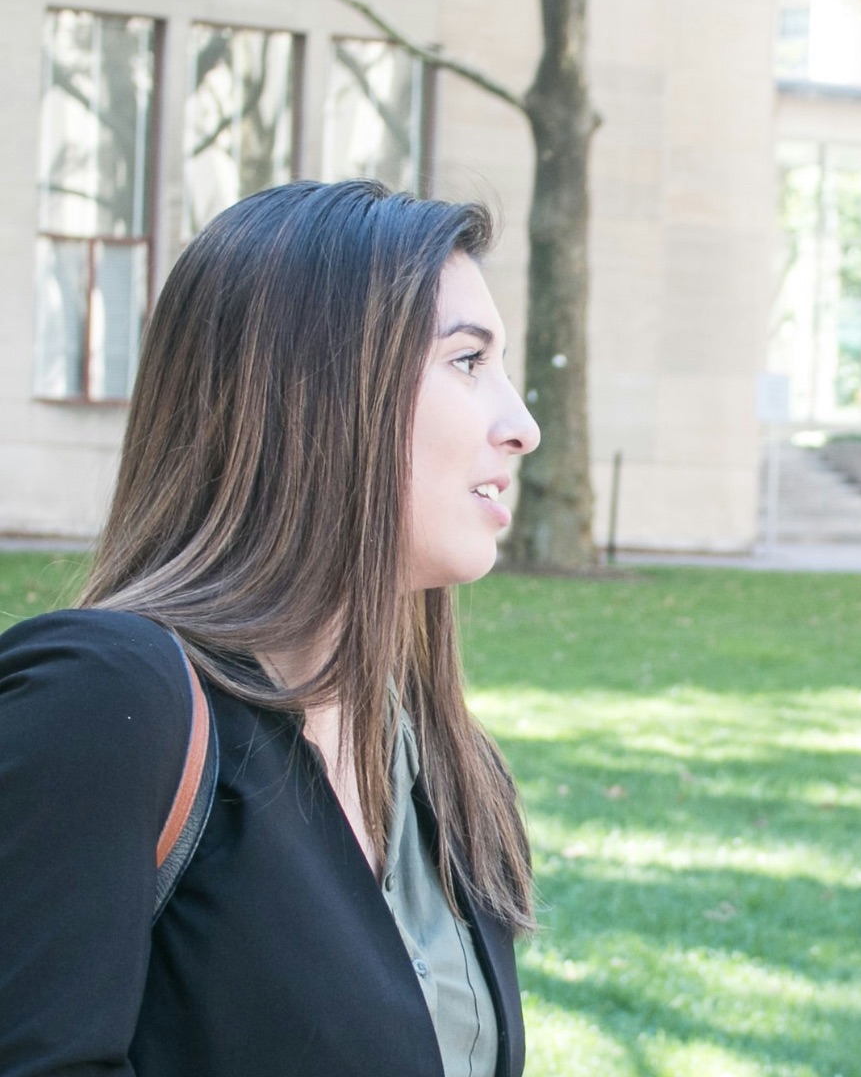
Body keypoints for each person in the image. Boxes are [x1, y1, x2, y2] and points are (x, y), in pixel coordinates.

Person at [0, 180, 540, 1076]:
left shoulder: (444, 768)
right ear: (319, 392)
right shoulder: (106, 702)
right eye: (468, 362)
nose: (520, 424)